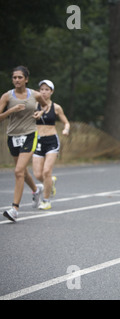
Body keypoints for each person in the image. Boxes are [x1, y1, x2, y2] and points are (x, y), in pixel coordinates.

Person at [0, 66, 49, 222]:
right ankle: (36, 190)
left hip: (29, 134)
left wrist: (40, 112)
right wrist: (11, 111)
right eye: (14, 77)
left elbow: (46, 105)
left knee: (18, 171)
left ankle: (14, 209)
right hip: (13, 136)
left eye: (20, 77)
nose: (17, 80)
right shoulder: (7, 97)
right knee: (21, 171)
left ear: (26, 79)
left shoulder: (34, 94)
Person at [32, 80, 70, 210]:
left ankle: (46, 201)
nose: (43, 92)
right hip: (38, 141)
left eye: (47, 89)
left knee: (47, 171)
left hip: (52, 141)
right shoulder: (34, 105)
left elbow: (66, 122)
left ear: (51, 92)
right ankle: (50, 183)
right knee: (38, 175)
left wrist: (66, 130)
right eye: (41, 89)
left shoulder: (56, 107)